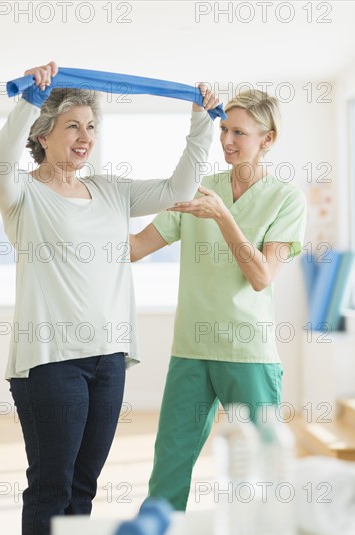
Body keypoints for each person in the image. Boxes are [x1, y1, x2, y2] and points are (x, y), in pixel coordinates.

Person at [0, 61, 220, 535]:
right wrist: (30, 97)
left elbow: (177, 191)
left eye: (91, 126)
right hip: (50, 361)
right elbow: (0, 159)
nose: (85, 136)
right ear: (43, 133)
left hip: (109, 358)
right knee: (52, 487)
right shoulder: (22, 194)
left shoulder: (111, 190)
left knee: (83, 487)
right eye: (72, 125)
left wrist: (202, 120)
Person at [130, 89, 307, 511]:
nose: (227, 140)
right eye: (224, 129)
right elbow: (135, 248)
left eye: (239, 132)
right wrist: (76, 213)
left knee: (261, 470)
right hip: (191, 349)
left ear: (268, 139)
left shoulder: (287, 199)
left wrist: (225, 219)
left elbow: (262, 276)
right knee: (169, 467)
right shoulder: (198, 190)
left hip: (248, 352)